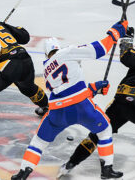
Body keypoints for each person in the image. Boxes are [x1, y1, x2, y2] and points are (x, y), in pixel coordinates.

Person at [11, 21, 128, 180]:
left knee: (38, 142)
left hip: (57, 111)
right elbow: (99, 49)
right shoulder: (67, 52)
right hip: (81, 107)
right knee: (105, 129)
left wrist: (94, 88)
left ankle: (22, 173)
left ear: (46, 54)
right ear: (58, 48)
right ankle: (106, 170)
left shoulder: (46, 68)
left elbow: (66, 90)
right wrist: (115, 33)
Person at [58, 35, 135, 178]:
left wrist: (127, 39)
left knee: (98, 134)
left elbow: (126, 57)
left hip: (120, 102)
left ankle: (69, 165)